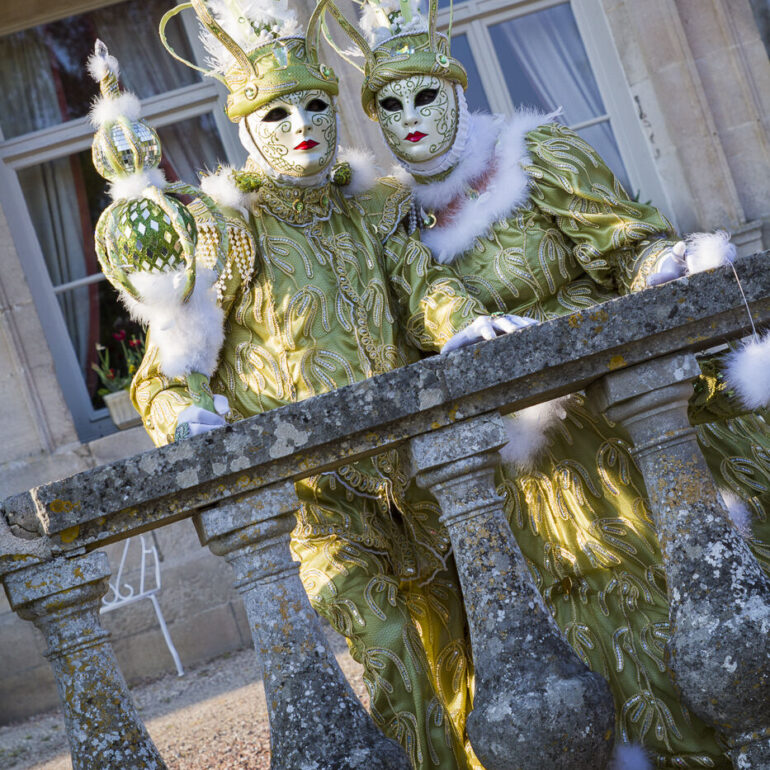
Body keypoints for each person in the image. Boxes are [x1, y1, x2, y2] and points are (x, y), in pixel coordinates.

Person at [321, 0, 770, 765]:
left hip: (625, 415)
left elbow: (621, 242)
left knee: (691, 571)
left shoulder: (531, 154)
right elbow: (409, 311)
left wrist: (659, 263)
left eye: (425, 95)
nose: (411, 118)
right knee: (590, 615)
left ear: (456, 89)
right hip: (532, 474)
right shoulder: (392, 225)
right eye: (388, 106)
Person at [90, 1, 526, 767]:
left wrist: (463, 323)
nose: (302, 125)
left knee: (482, 648)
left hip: (420, 480)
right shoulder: (231, 230)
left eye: (318, 106)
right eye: (278, 112)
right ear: (246, 126)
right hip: (320, 507)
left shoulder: (370, 209)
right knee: (393, 659)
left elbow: (421, 286)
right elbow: (171, 365)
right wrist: (189, 420)